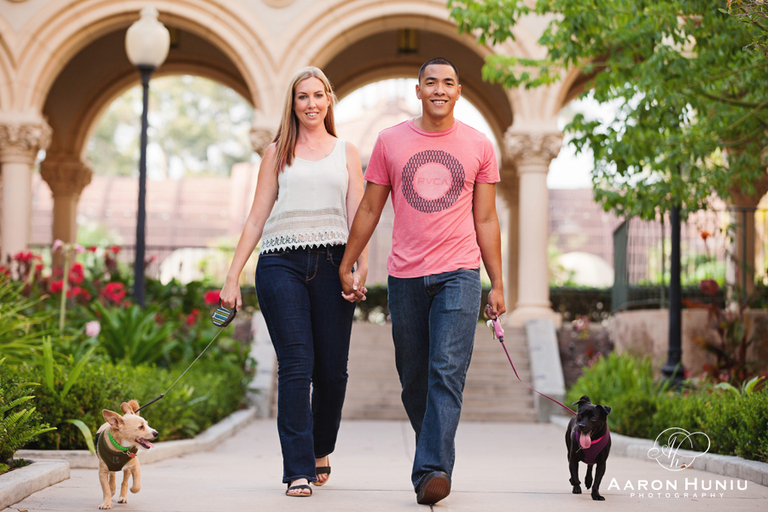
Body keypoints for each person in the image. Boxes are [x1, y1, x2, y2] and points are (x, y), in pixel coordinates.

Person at [338, 57, 506, 506]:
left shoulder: (478, 144)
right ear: (418, 91)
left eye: (448, 83)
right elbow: (371, 208)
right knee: (414, 378)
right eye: (430, 82)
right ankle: (433, 453)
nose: (439, 89)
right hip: (405, 276)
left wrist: (498, 283)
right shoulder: (390, 141)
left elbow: (486, 218)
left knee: (446, 371)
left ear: (458, 91)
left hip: (460, 273)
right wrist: (348, 261)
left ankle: (432, 469)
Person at [220, 66, 368, 498]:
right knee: (296, 366)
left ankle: (321, 447)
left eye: (318, 95)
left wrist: (360, 268)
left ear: (329, 99)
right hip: (279, 264)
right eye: (302, 97)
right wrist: (233, 278)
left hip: (334, 263)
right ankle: (297, 469)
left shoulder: (347, 152)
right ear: (293, 103)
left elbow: (360, 216)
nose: (311, 104)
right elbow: (255, 219)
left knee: (332, 373)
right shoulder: (276, 152)